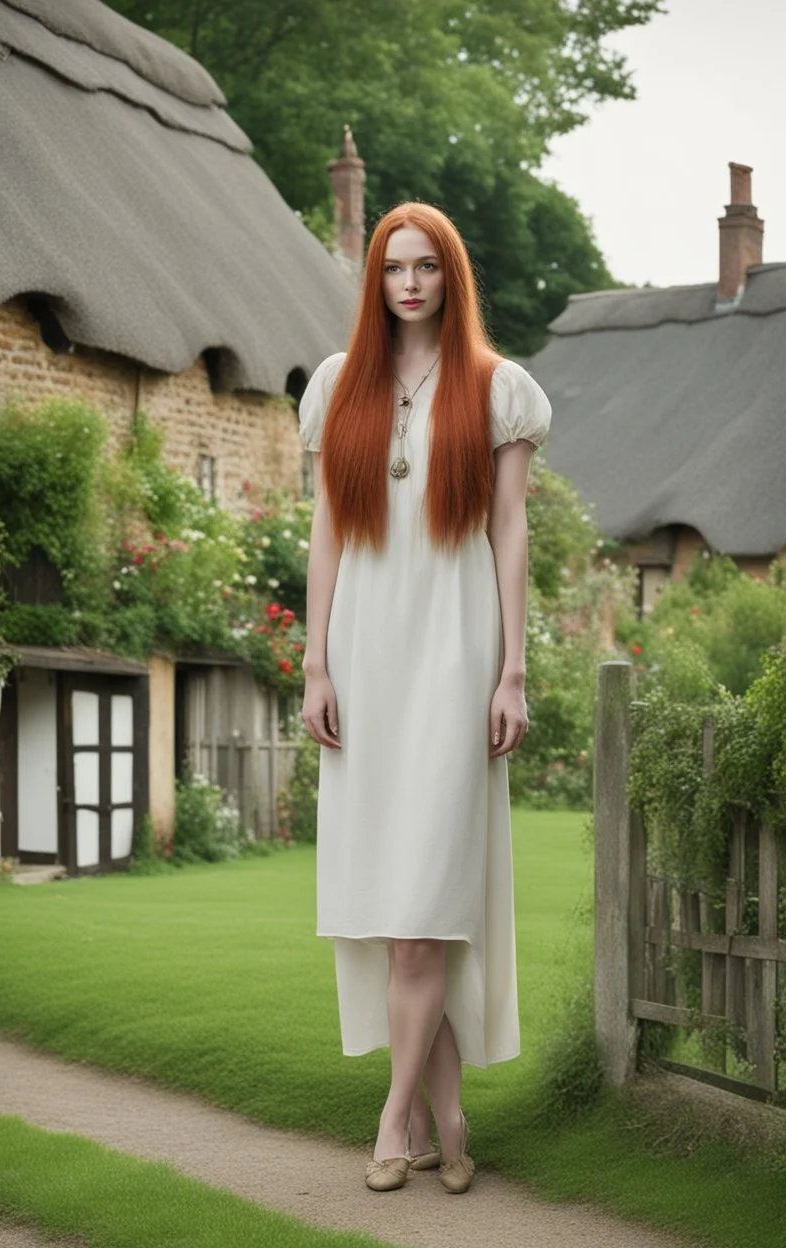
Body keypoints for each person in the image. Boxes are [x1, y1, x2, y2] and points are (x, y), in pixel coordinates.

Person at [298, 202, 551, 1195]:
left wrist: (511, 671)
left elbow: (508, 538)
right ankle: (449, 1120)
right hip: (365, 660)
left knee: (426, 915)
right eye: (393, 267)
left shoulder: (498, 391)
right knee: (402, 913)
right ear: (377, 279)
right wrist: (317, 663)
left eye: (426, 267)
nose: (409, 282)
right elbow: (324, 533)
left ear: (451, 276)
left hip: (454, 660)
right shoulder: (336, 387)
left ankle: (391, 1118)